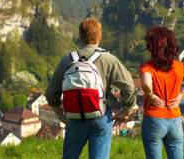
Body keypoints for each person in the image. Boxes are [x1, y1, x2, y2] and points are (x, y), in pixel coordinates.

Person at [46, 18, 136, 159]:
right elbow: (129, 87)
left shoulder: (67, 59)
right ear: (99, 35)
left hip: (74, 118)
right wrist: (126, 110)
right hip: (100, 116)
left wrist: (61, 116)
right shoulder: (108, 59)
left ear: (80, 36)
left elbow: (51, 94)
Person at [139, 26, 184, 159]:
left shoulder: (147, 67)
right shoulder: (180, 66)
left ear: (151, 46)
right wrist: (183, 94)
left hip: (154, 118)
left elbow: (146, 84)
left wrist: (150, 95)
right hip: (175, 119)